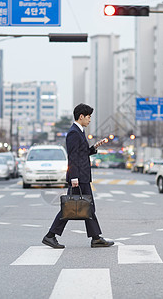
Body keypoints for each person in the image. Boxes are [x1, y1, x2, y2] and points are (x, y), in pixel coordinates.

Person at [42, 103, 114, 249]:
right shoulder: (74, 133)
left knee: (87, 207)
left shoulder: (79, 131)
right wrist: (74, 177)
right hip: (79, 178)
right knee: (69, 209)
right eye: (88, 117)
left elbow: (81, 154)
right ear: (81, 116)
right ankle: (50, 236)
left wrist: (93, 148)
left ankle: (95, 238)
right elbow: (73, 156)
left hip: (82, 177)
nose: (89, 120)